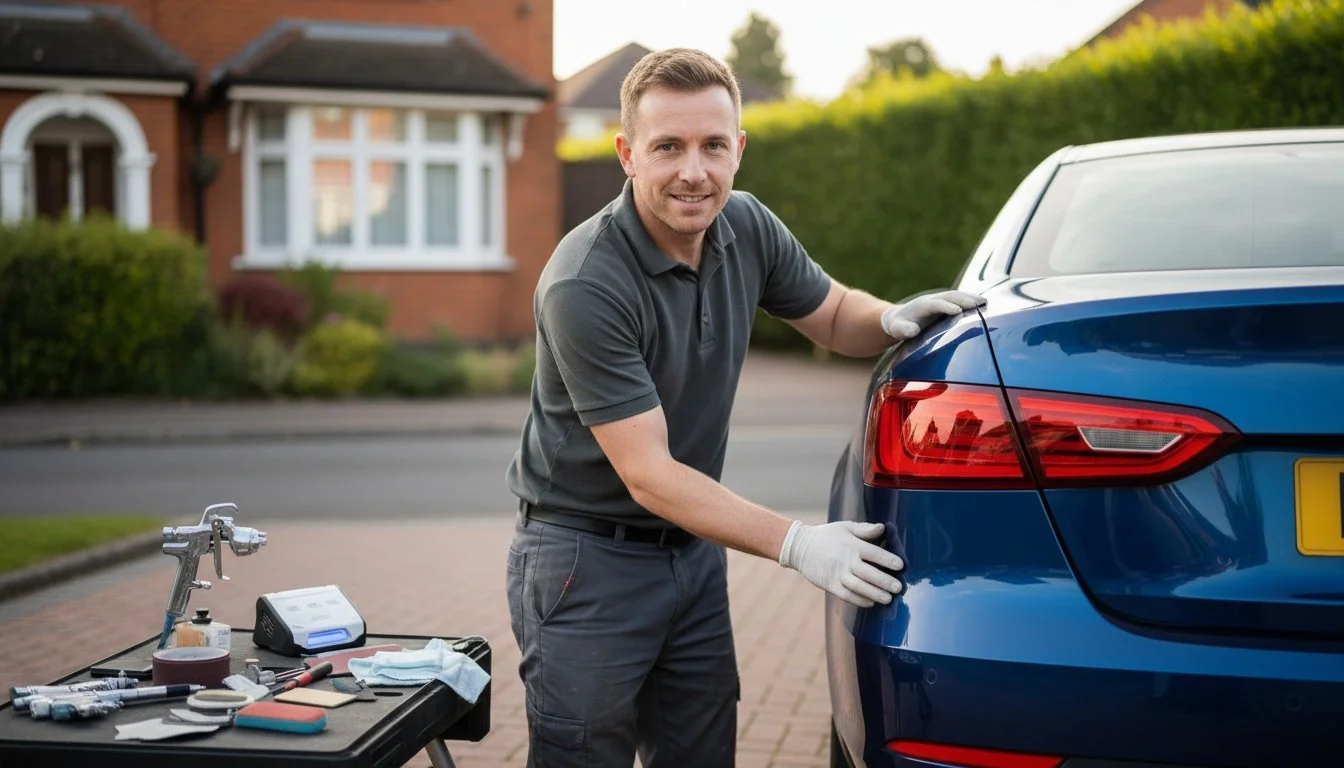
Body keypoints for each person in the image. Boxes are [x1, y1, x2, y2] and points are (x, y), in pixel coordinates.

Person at [504, 47, 985, 768]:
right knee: (584, 755)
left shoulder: (746, 226)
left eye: (712, 146)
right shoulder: (586, 282)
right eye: (668, 146)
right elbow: (650, 475)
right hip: (586, 560)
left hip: (690, 553)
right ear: (627, 153)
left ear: (740, 150)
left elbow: (831, 316)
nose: (693, 170)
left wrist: (890, 318)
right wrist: (798, 544)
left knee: (701, 749)